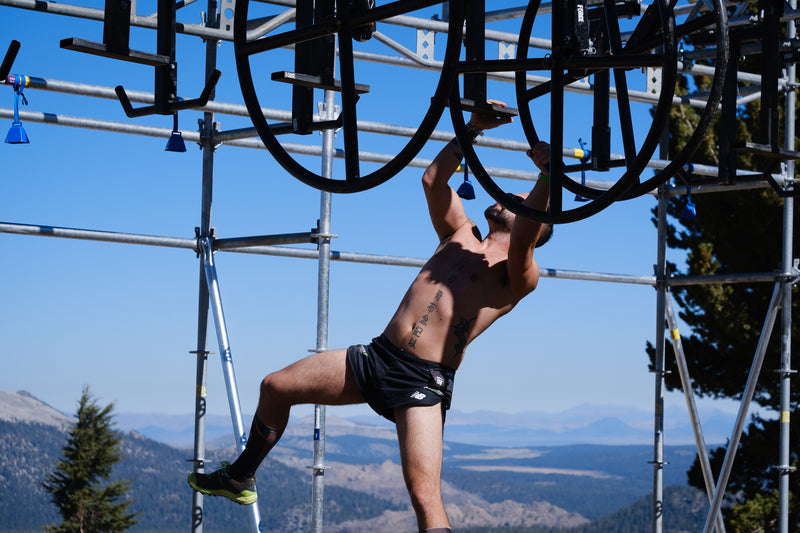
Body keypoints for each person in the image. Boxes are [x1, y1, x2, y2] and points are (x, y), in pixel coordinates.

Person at [188, 101, 553, 533]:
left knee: (423, 494)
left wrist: (549, 174)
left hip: (422, 381)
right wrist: (471, 128)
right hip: (376, 357)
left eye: (525, 200)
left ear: (540, 226)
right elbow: (432, 180)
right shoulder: (460, 234)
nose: (513, 196)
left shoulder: (517, 275)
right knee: (275, 386)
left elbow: (527, 231)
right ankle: (240, 476)